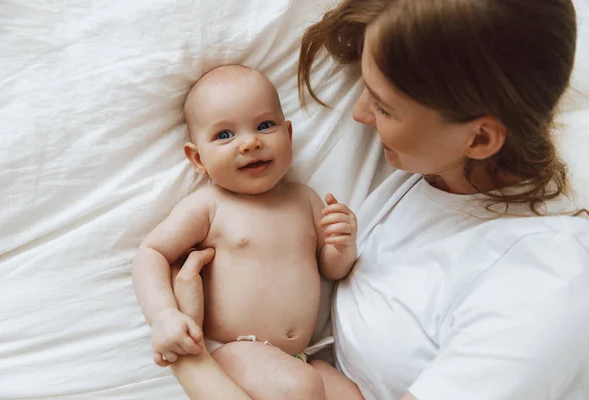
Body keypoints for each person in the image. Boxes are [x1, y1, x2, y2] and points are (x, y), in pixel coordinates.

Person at [167, 0, 589, 399]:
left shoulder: (545, 286)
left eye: (384, 107)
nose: (359, 114)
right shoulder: (430, 175)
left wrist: (193, 360)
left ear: (479, 139)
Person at [132, 65, 363, 399]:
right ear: (198, 159)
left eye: (265, 125)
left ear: (289, 134)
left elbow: (331, 269)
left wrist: (342, 244)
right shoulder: (210, 205)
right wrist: (164, 315)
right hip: (235, 352)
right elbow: (151, 252)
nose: (251, 142)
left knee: (349, 394)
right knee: (299, 388)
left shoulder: (305, 199)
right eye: (225, 135)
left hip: (299, 356)